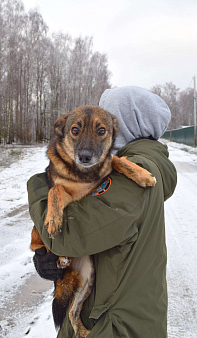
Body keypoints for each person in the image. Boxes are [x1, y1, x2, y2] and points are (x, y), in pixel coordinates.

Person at [27, 86, 177, 338]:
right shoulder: (122, 165)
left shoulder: (135, 172)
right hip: (106, 315)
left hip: (113, 326)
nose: (89, 136)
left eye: (101, 126)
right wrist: (48, 253)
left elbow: (70, 236)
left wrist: (38, 185)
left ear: (126, 124)